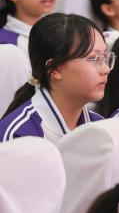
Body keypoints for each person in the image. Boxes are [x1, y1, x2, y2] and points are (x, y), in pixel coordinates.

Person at [0, 13, 109, 142]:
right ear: (55, 69)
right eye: (93, 59)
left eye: (105, 57)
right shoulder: (18, 135)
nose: (106, 69)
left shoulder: (101, 126)